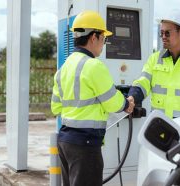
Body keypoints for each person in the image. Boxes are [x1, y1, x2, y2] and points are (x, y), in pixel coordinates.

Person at [51, 10, 135, 186]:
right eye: (104, 38)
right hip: (85, 144)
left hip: (65, 141)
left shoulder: (63, 68)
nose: (104, 44)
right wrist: (126, 103)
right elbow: (113, 103)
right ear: (94, 37)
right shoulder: (93, 66)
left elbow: (56, 108)